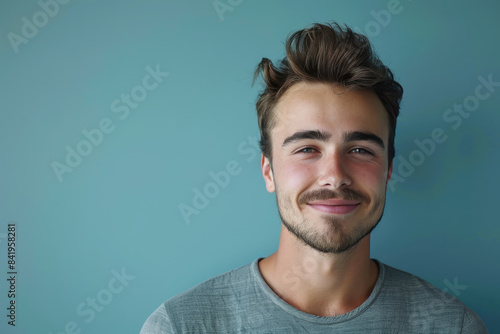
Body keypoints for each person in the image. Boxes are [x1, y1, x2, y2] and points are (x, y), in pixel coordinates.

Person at [140, 22, 488, 333]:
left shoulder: (452, 326)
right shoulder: (180, 326)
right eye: (307, 149)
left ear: (388, 171)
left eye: (360, 150)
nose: (335, 177)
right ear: (268, 170)